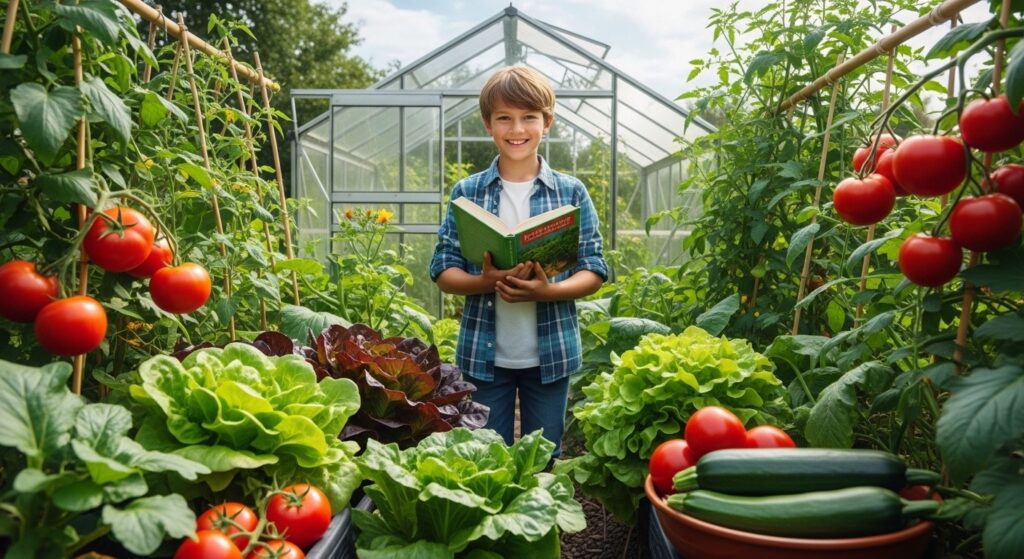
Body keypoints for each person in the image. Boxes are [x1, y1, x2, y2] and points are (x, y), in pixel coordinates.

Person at [429, 65, 608, 460]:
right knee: (487, 458)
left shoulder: (570, 192)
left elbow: (594, 267)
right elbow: (443, 268)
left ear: (548, 122)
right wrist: (484, 281)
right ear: (488, 124)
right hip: (484, 355)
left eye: (529, 117)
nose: (517, 128)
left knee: (543, 457)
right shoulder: (468, 191)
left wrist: (549, 291)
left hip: (551, 353)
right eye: (504, 118)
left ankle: (539, 522)